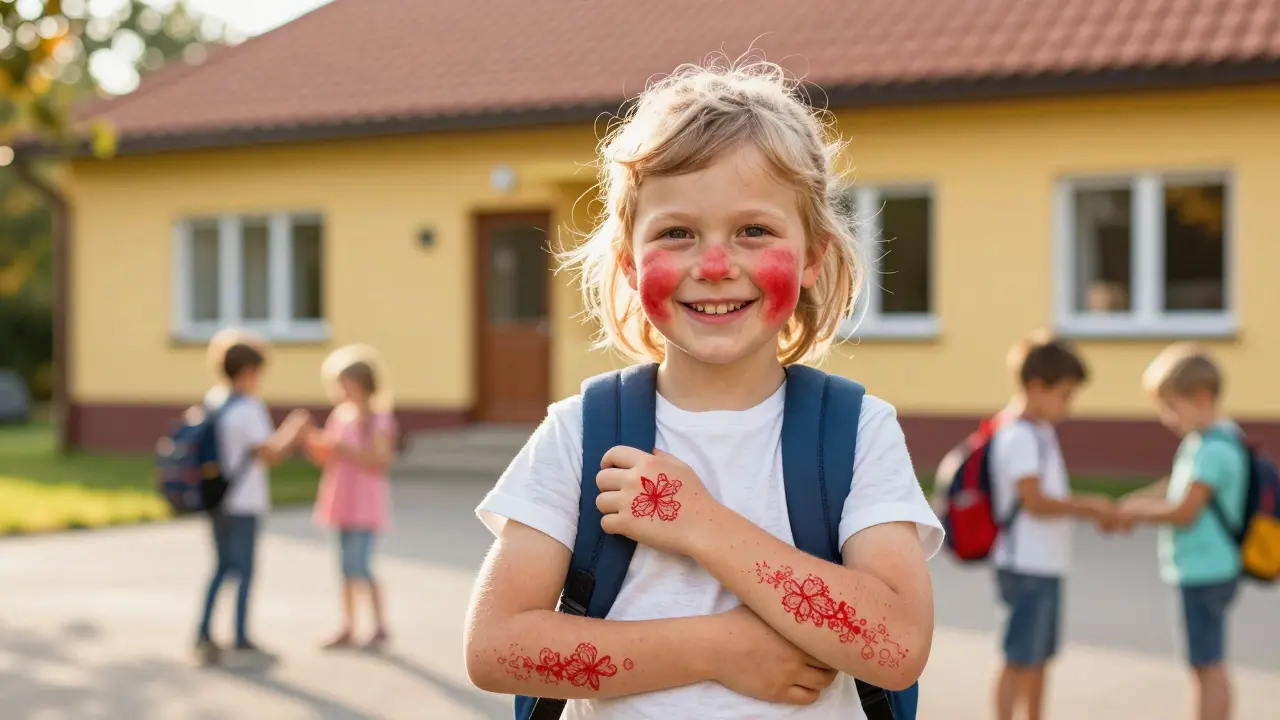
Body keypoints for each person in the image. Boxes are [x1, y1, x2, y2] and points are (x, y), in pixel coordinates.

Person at [462, 57, 943, 719]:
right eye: (677, 233)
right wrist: (714, 649)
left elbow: (896, 647)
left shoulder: (855, 431)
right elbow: (495, 649)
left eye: (754, 231)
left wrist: (701, 525)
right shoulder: (581, 432)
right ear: (630, 264)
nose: (715, 266)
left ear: (812, 257)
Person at [986, 331, 1116, 720]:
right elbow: (1035, 501)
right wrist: (1090, 506)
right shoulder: (1019, 436)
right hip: (1025, 563)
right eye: (1065, 395)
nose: (1069, 406)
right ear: (1036, 387)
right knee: (1017, 656)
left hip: (1045, 562)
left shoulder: (1041, 431)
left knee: (1039, 657)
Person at [1118, 344, 1248, 720]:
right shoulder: (1209, 440)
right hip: (1208, 566)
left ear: (1201, 397)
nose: (1166, 418)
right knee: (1208, 661)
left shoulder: (1213, 450)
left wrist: (1135, 515)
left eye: (1171, 406)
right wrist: (1132, 503)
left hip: (1206, 570)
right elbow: (1177, 486)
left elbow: (1184, 511)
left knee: (1206, 665)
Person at [196, 329, 309, 666]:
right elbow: (270, 453)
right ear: (248, 371)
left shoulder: (214, 401)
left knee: (221, 567)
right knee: (244, 569)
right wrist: (294, 429)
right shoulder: (248, 407)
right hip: (243, 500)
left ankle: (204, 631)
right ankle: (241, 636)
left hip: (216, 496)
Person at [303, 344, 398, 652]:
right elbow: (328, 457)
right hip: (341, 499)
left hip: (365, 503)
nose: (338, 390)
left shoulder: (379, 419)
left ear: (358, 384)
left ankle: (379, 625)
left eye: (343, 384)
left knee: (360, 565)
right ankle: (347, 624)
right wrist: (312, 441)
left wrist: (342, 449)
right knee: (345, 568)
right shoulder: (340, 416)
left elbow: (380, 460)